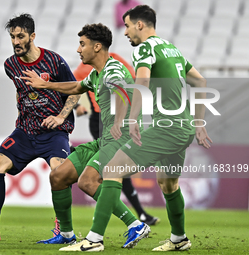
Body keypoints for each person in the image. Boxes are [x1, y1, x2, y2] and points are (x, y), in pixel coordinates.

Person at [60, 5, 213, 252]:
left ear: (140, 25)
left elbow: (141, 81)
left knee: (111, 170)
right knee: (168, 184)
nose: (126, 32)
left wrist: (131, 120)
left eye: (128, 26)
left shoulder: (145, 47)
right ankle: (179, 239)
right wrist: (198, 123)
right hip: (182, 127)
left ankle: (94, 240)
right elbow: (200, 81)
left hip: (166, 129)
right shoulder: (171, 48)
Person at [22, 23, 151, 251]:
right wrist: (46, 84)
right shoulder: (97, 73)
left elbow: (121, 91)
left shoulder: (113, 71)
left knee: (87, 181)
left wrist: (120, 120)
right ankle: (67, 234)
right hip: (107, 140)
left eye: (82, 44)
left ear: (97, 46)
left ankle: (102, 238)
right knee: (59, 176)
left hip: (123, 140)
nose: (78, 49)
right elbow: (76, 87)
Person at [0, 13, 80, 241]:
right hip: (25, 132)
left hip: (54, 133)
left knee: (59, 172)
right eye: (12, 37)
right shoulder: (10, 65)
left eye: (20, 36)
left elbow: (75, 90)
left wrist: (60, 117)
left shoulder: (54, 61)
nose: (16, 42)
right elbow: (22, 92)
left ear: (32, 36)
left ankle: (63, 229)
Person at [73, 53, 160, 226]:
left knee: (116, 169)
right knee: (114, 169)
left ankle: (135, 216)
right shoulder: (83, 69)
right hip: (99, 122)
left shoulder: (116, 61)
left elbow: (132, 82)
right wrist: (78, 105)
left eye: (84, 44)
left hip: (118, 120)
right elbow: (73, 89)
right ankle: (138, 215)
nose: (80, 50)